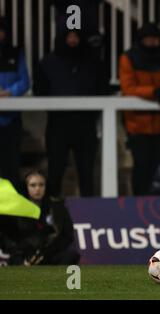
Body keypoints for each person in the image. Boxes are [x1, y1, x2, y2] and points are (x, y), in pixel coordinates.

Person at [33, 29, 109, 197]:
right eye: (69, 36)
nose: (73, 40)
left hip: (86, 125)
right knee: (55, 170)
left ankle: (90, 213)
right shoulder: (48, 62)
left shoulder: (93, 62)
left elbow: (103, 88)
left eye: (76, 36)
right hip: (58, 124)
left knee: (86, 171)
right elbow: (40, 89)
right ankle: (51, 211)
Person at [120, 23, 160, 196]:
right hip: (136, 124)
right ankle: (139, 200)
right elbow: (128, 88)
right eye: (147, 39)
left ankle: (155, 201)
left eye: (154, 39)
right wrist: (154, 92)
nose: (151, 43)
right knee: (141, 165)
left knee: (157, 165)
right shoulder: (129, 58)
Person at [17, 170, 80, 265]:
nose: (37, 189)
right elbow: (15, 237)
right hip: (26, 255)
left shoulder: (57, 207)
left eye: (41, 185)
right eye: (33, 185)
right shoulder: (18, 209)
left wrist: (47, 251)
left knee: (71, 255)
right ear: (26, 187)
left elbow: (67, 235)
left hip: (50, 254)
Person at [0, 18, 30, 189]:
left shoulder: (15, 52)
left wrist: (8, 92)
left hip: (11, 121)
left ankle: (11, 213)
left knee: (12, 168)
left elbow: (25, 81)